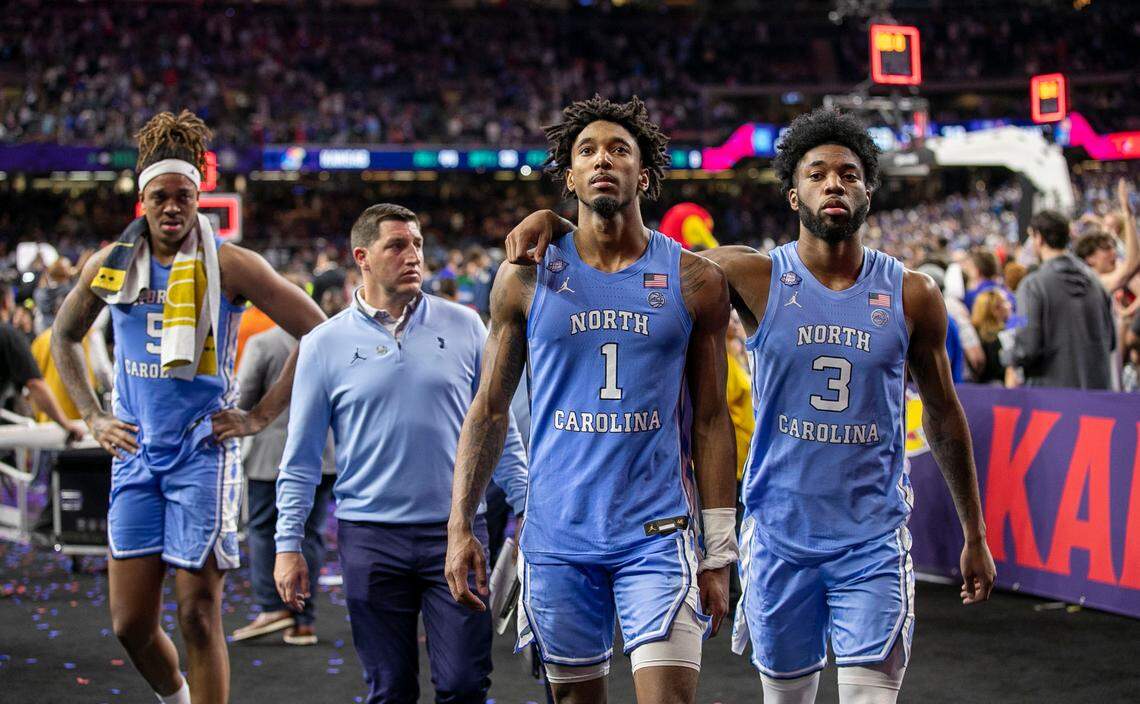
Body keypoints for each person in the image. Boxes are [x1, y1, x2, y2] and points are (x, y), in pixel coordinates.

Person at [503, 107, 995, 704]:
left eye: (849, 173)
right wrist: (557, 220)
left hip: (872, 540)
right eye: (817, 174)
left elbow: (943, 415)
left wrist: (975, 530)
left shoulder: (912, 292)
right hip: (777, 536)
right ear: (793, 193)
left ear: (870, 190)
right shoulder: (748, 273)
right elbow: (632, 260)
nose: (834, 184)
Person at [447, 96, 738, 704]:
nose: (602, 159)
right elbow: (490, 409)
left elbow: (712, 422)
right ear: (570, 176)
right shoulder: (526, 276)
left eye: (619, 150)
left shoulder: (695, 279)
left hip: (656, 534)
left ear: (646, 175)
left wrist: (719, 552)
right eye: (587, 151)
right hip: (558, 537)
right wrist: (461, 525)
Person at [51, 110, 325, 704]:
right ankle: (175, 697)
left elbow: (318, 331)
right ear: (141, 201)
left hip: (202, 456)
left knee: (199, 616)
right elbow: (63, 336)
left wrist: (258, 415)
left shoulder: (230, 264)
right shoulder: (109, 264)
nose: (172, 208)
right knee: (129, 624)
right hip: (135, 455)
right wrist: (93, 417)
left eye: (184, 197)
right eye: (160, 197)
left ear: (198, 198)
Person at [273, 203, 529, 704]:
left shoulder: (466, 326)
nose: (413, 255)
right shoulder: (323, 344)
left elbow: (501, 429)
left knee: (463, 684)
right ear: (362, 257)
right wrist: (287, 546)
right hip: (370, 537)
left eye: (416, 243)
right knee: (388, 690)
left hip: (457, 533)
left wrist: (529, 507)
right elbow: (300, 458)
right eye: (397, 245)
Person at [231, 276, 337, 647]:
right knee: (311, 532)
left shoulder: (263, 344)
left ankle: (271, 607)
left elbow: (242, 400)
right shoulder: (331, 342)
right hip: (324, 455)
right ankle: (303, 620)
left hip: (269, 456)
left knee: (263, 529)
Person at [1010, 209, 1116, 390]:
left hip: (1053, 404)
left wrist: (1006, 356)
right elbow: (1111, 341)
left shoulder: (1032, 286)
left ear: (1039, 238)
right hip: (1098, 402)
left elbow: (1025, 347)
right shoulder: (1096, 283)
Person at [0, 285, 85, 439]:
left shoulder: (41, 339)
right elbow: (35, 385)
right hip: (68, 412)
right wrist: (65, 424)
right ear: (6, 302)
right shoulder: (9, 336)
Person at [970, 289, 1013, 385]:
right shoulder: (1002, 337)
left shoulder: (973, 333)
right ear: (995, 309)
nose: (1010, 305)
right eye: (1006, 302)